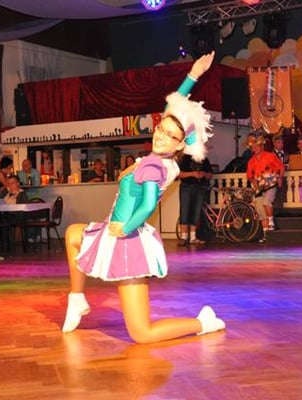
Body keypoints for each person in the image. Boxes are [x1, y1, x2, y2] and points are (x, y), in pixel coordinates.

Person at [61, 51, 225, 343]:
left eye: (169, 135)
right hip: (115, 230)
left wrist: (125, 228)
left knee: (142, 334)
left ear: (179, 145)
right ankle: (77, 298)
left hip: (127, 242)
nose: (160, 135)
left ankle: (203, 323)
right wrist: (193, 75)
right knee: (73, 234)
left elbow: (148, 204)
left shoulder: (153, 166)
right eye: (160, 129)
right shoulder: (162, 159)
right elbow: (172, 106)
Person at [246, 133, 284, 241]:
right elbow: (249, 176)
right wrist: (254, 182)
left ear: (261, 146)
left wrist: (280, 178)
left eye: (256, 146)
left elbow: (281, 167)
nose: (254, 148)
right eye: (253, 147)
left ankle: (271, 222)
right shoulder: (251, 161)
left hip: (270, 184)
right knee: (260, 210)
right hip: (259, 186)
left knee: (267, 202)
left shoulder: (270, 156)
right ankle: (266, 234)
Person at [177, 154, 213, 245]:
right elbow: (179, 174)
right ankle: (184, 236)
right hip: (186, 186)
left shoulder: (204, 159)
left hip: (200, 187)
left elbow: (210, 175)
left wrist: (204, 174)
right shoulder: (186, 158)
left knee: (196, 212)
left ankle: (193, 237)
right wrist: (193, 174)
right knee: (184, 210)